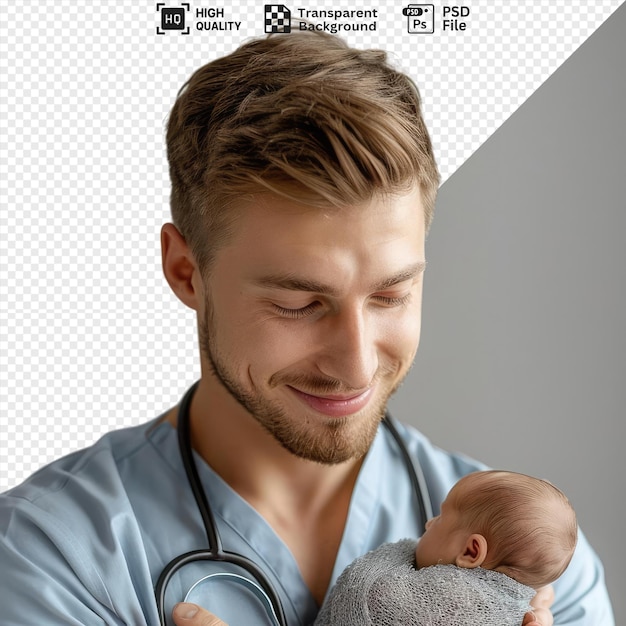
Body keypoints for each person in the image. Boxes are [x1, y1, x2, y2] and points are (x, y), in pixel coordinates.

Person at [0, 30, 613, 626]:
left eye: (390, 295)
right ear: (187, 272)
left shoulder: (531, 562)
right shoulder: (49, 558)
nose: (357, 364)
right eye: (298, 303)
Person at [314, 470, 578, 626]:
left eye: (440, 518)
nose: (428, 524)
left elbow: (362, 584)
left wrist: (408, 549)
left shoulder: (405, 596)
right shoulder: (519, 610)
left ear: (471, 552)